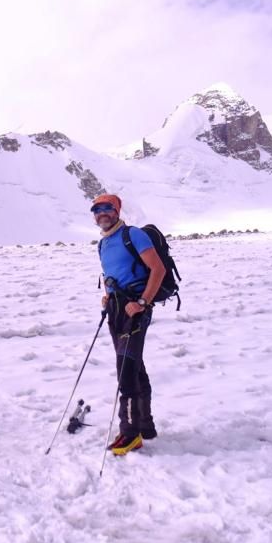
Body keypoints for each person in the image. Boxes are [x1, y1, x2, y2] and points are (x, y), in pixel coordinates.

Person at [91, 193, 166, 456]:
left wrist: (143, 302)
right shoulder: (103, 244)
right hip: (116, 310)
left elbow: (158, 270)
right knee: (135, 366)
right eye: (97, 209)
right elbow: (114, 275)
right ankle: (145, 426)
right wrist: (108, 297)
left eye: (107, 208)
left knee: (126, 369)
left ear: (117, 210)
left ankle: (130, 432)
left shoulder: (133, 235)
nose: (102, 213)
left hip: (135, 310)